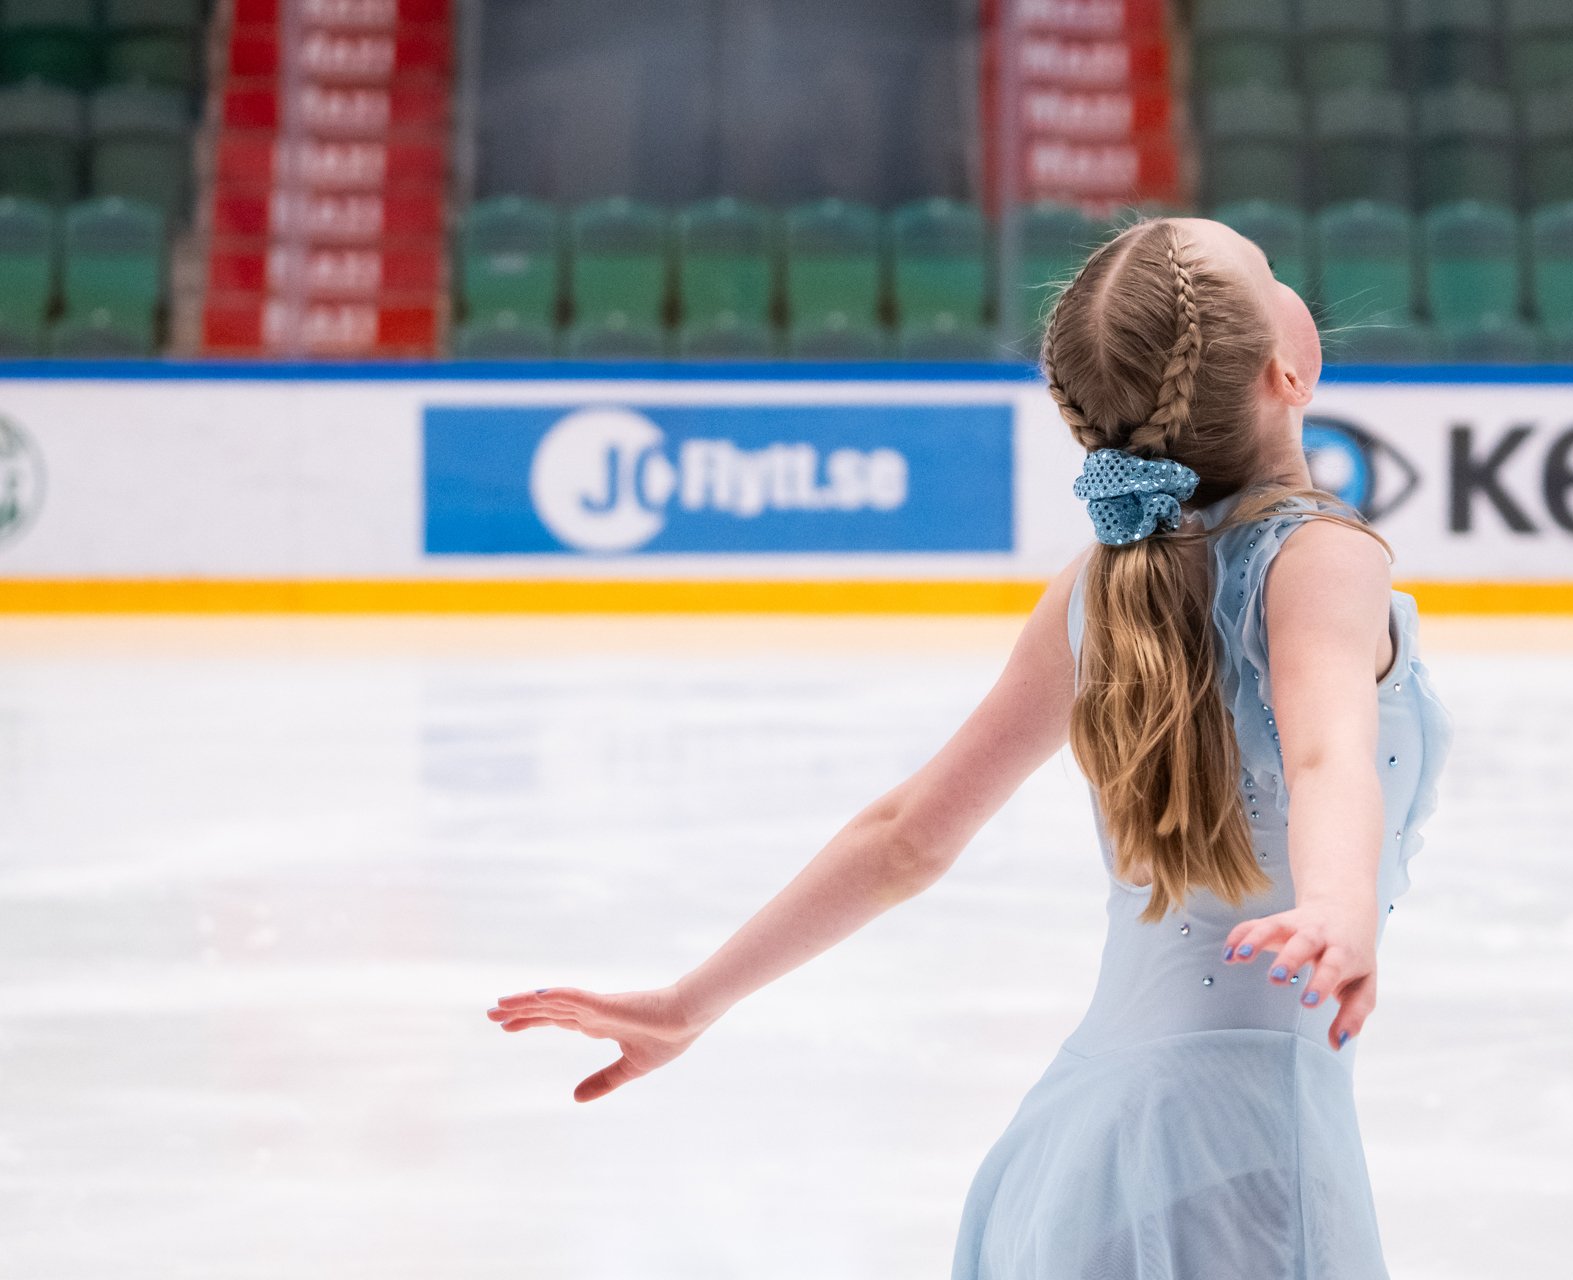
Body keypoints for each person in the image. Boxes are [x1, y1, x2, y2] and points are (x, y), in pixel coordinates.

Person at [484, 216, 1454, 1278]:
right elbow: (1325, 754)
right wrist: (1335, 903)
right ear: (1290, 367)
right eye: (1269, 272)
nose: (1285, 274)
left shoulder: (1097, 587)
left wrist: (693, 1001)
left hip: (1079, 1145)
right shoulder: (1322, 559)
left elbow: (907, 835)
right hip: (1238, 1152)